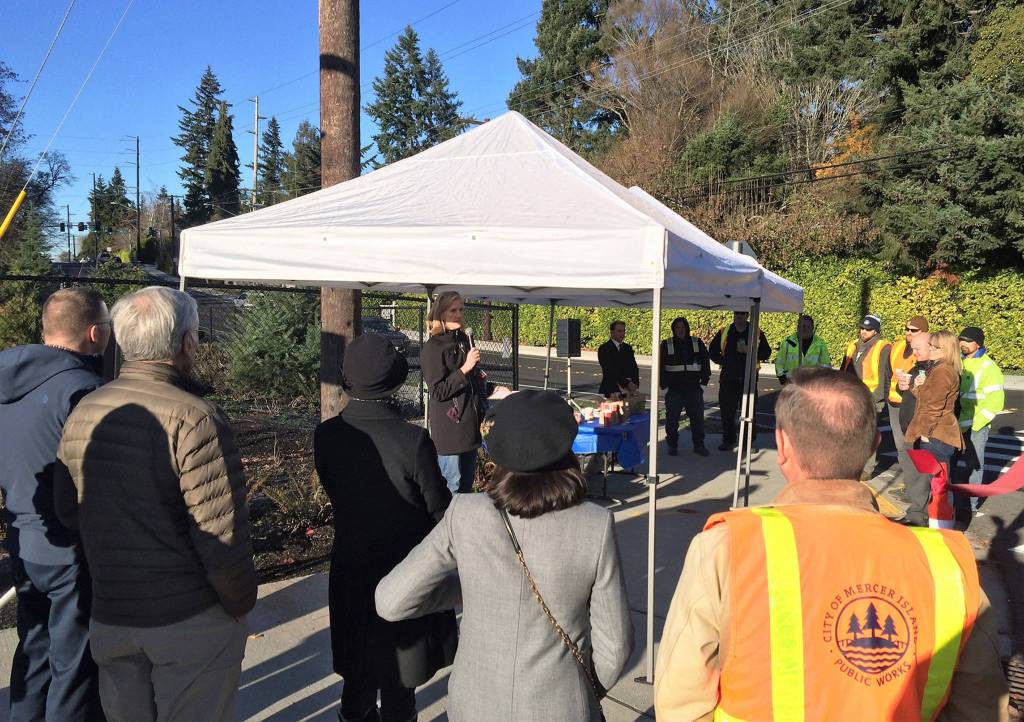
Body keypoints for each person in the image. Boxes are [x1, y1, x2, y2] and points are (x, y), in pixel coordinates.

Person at [655, 367, 1008, 721]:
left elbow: (681, 704)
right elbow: (981, 709)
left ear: (782, 444)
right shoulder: (947, 567)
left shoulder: (727, 548)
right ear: (873, 446)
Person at [54, 287, 257, 722]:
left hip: (112, 612)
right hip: (187, 619)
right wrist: (240, 604)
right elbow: (222, 535)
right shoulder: (195, 416)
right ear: (185, 343)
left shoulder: (85, 410)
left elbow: (68, 511)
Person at [376, 390, 633, 721]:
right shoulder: (595, 525)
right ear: (566, 449)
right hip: (560, 707)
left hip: (475, 705)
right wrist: (584, 689)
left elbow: (391, 600)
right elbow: (617, 647)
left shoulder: (464, 514)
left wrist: (467, 589)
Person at [314, 333, 457, 722]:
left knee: (357, 671)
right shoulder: (412, 441)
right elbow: (440, 509)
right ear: (395, 381)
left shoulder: (326, 436)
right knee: (399, 682)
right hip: (403, 569)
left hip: (351, 565)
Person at [0, 287, 110, 721]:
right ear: (95, 332)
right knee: (75, 664)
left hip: (23, 539)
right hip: (72, 545)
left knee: (33, 648)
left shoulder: (8, 383)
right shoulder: (85, 391)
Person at [421, 291, 507, 494]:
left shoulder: (464, 340)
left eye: (461, 310)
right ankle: (448, 525)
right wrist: (465, 368)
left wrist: (491, 388)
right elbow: (438, 391)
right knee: (453, 486)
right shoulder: (434, 348)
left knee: (466, 487)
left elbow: (472, 381)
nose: (458, 314)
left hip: (470, 426)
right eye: (453, 310)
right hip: (450, 430)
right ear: (440, 313)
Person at [958, 326, 1005, 515]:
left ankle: (970, 506)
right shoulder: (959, 363)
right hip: (957, 424)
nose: (963, 344)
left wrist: (977, 425)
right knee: (955, 465)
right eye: (961, 340)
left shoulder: (989, 368)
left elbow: (995, 402)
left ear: (978, 344)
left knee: (974, 466)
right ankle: (955, 501)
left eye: (968, 341)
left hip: (976, 426)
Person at [709, 311, 770, 451]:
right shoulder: (725, 331)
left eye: (742, 314)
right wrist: (725, 361)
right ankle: (728, 441)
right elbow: (712, 351)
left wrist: (750, 351)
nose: (739, 316)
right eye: (737, 313)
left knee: (749, 413)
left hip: (748, 378)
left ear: (748, 315)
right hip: (728, 379)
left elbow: (766, 352)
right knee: (727, 412)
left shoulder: (756, 332)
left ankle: (747, 443)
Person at [905, 330, 964, 473]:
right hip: (937, 433)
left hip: (937, 435)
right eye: (930, 345)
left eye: (935, 347)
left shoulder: (943, 371)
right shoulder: (939, 368)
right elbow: (928, 398)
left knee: (939, 484)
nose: (930, 348)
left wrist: (925, 434)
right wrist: (916, 387)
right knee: (938, 482)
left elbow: (935, 406)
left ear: (946, 350)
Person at [841, 314, 892, 475]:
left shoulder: (883, 348)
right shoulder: (853, 346)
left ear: (876, 331)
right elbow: (844, 369)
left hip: (871, 398)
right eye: (862, 328)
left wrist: (878, 399)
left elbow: (886, 377)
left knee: (867, 435)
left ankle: (866, 469)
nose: (863, 331)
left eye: (868, 329)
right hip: (851, 397)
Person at [895, 332, 935, 527]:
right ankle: (917, 512)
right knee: (912, 472)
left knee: (922, 475)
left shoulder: (937, 369)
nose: (915, 352)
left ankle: (920, 514)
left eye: (918, 349)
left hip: (922, 430)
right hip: (910, 429)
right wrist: (902, 385)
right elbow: (908, 391)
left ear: (931, 347)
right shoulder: (918, 367)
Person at [886, 316, 929, 486]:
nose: (908, 332)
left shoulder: (926, 350)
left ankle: (918, 487)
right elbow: (887, 373)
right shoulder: (896, 346)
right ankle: (909, 484)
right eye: (907, 329)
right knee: (901, 447)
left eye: (914, 330)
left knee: (915, 447)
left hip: (913, 404)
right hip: (895, 403)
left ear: (924, 332)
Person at [659, 317, 710, 457]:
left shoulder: (697, 343)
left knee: (698, 420)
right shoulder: (666, 344)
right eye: (677, 328)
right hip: (674, 390)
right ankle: (672, 445)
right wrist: (664, 387)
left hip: (694, 389)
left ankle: (699, 445)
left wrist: (703, 385)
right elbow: (660, 366)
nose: (680, 330)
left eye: (682, 327)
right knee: (672, 421)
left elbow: (706, 363)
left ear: (687, 328)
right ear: (673, 329)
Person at [774, 313, 831, 384]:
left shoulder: (820, 344)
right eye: (802, 326)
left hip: (812, 384)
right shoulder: (788, 342)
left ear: (812, 327)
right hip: (792, 382)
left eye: (807, 326)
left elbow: (826, 366)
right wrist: (782, 378)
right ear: (797, 327)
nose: (804, 328)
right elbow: (779, 362)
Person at [597, 320, 640, 397]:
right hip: (611, 390)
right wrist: (627, 383)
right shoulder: (604, 349)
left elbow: (634, 366)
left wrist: (635, 383)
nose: (622, 334)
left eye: (623, 331)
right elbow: (609, 369)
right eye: (619, 331)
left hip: (629, 391)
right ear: (612, 332)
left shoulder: (627, 348)